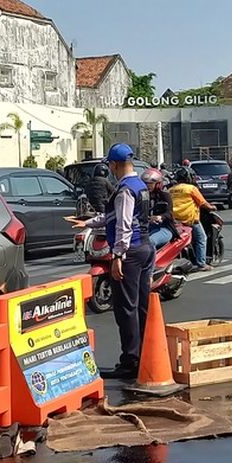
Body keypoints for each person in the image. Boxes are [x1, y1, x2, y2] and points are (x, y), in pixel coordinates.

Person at [67, 144, 154, 379]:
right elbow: (113, 216)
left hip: (131, 251)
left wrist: (117, 256)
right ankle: (147, 355)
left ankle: (130, 362)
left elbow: (123, 224)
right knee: (141, 307)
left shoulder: (125, 189)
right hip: (145, 246)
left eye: (111, 165)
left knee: (126, 309)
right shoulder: (141, 185)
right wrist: (87, 222)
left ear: (114, 165)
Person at [170, 167, 213, 271]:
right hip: (190, 221)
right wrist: (212, 207)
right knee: (201, 239)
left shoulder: (170, 189)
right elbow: (203, 203)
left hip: (174, 221)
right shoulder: (191, 188)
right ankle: (201, 264)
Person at [141, 167, 178, 248]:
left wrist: (160, 217)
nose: (147, 186)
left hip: (164, 228)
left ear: (158, 184)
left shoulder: (164, 195)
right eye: (145, 183)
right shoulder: (142, 196)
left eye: (150, 183)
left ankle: (151, 261)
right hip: (146, 227)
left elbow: (169, 214)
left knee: (151, 241)